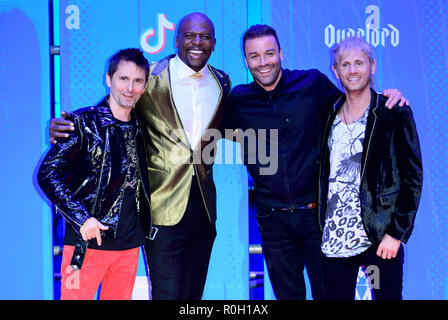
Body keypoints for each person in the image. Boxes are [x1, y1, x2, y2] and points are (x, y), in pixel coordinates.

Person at [49, 12, 231, 300]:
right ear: (177, 40)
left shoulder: (222, 82)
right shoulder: (153, 78)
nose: (197, 42)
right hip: (154, 211)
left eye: (204, 36)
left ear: (215, 43)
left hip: (197, 214)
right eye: (190, 35)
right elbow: (113, 109)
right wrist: (71, 128)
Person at [227, 25, 408, 300]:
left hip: (318, 217)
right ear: (245, 60)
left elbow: (355, 104)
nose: (263, 62)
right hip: (273, 221)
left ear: (281, 54)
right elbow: (204, 125)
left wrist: (386, 99)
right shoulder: (239, 100)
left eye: (269, 53)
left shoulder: (311, 83)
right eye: (254, 56)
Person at [37, 48, 152, 300]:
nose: (129, 87)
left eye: (137, 81)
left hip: (129, 245)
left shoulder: (143, 128)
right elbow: (47, 174)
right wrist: (82, 219)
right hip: (86, 243)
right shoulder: (82, 123)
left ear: (144, 86)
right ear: (109, 79)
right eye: (123, 78)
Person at [317, 37, 423, 300]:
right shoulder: (326, 114)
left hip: (379, 237)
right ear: (336, 71)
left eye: (359, 63)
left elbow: (412, 178)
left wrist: (396, 234)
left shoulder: (393, 111)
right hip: (334, 240)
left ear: (372, 66)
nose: (352, 70)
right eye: (345, 64)